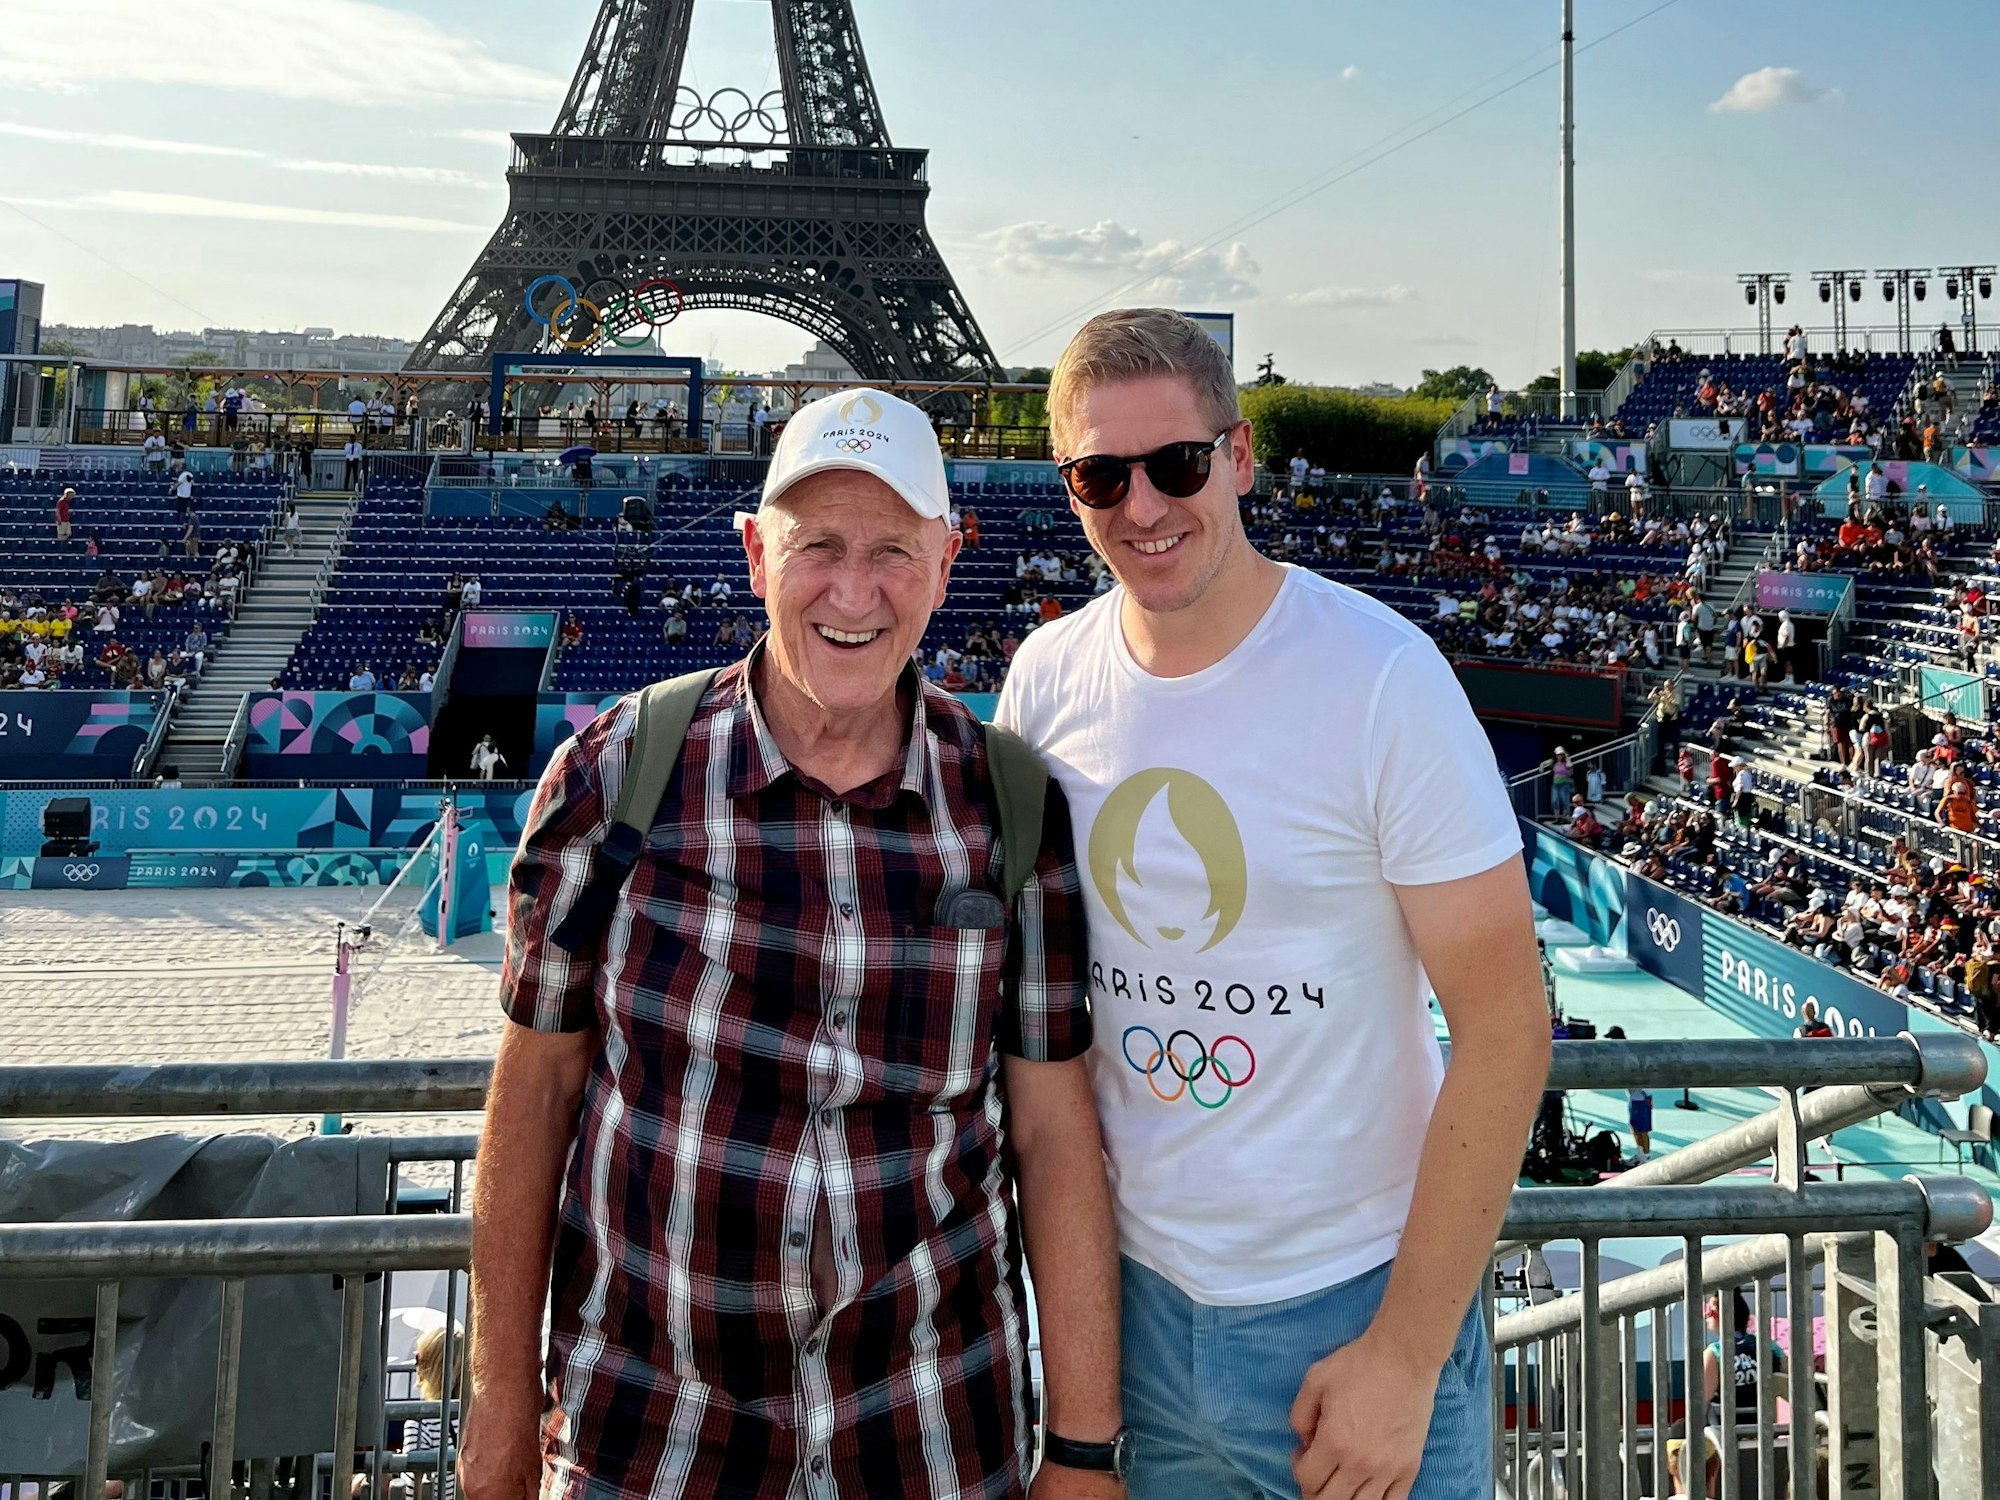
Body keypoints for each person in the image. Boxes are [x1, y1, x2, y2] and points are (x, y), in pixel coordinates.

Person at [464, 387, 1122, 1500]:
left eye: (891, 551)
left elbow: (1055, 1134)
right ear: (756, 554)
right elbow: (533, 1094)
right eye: (817, 547)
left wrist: (1084, 1450)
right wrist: (495, 1407)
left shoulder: (1009, 807)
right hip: (650, 1439)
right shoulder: (614, 777)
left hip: (930, 1433)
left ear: (947, 562)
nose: (852, 592)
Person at [998, 310, 1547, 1497]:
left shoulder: (1381, 679)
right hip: (1128, 1316)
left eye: (1175, 464)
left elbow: (1505, 1028)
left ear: (1238, 457)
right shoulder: (1043, 681)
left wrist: (1404, 1356)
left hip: (1353, 1309)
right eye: (1100, 475)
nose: (1143, 506)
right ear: (1068, 488)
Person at [1602, 1026, 1652, 1159]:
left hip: (1641, 1095)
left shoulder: (1627, 1052)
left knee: (1642, 1129)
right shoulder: (1625, 1050)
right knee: (1634, 1126)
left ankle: (1646, 1156)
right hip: (1634, 1096)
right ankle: (1640, 1153)